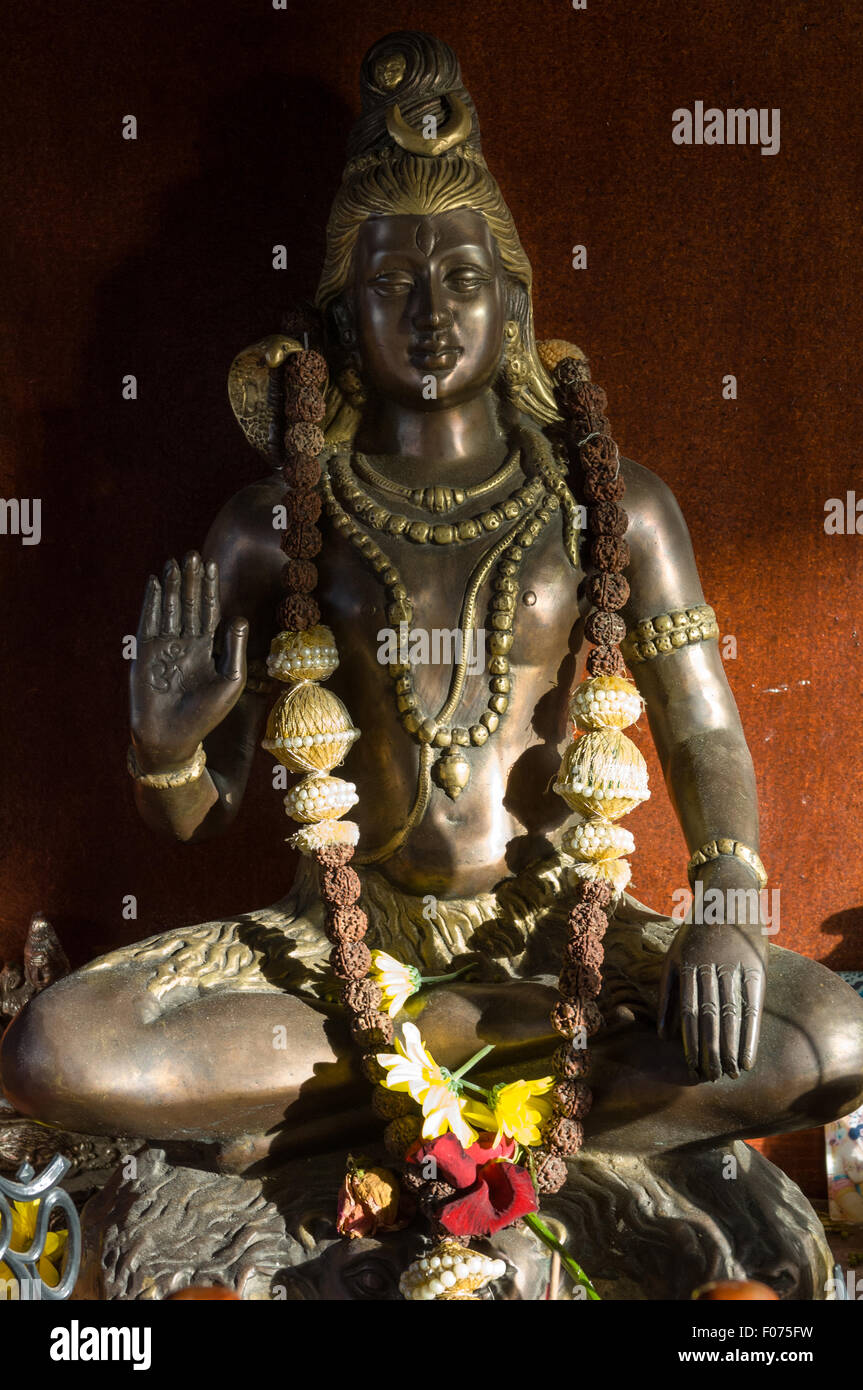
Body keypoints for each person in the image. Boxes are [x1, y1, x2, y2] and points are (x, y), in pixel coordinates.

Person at [2, 30, 861, 1179]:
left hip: (561, 938)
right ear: (339, 316)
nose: (427, 311)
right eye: (387, 282)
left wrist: (724, 887)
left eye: (459, 277)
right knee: (55, 1051)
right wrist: (164, 750)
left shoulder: (613, 506)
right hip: (339, 948)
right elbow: (197, 817)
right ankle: (486, 1085)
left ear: (512, 301)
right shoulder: (276, 523)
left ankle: (388, 1110)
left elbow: (701, 724)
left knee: (831, 1034)